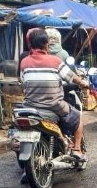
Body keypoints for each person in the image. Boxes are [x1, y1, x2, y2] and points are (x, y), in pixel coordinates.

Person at [19, 28, 89, 159]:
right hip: (53, 105)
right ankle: (77, 149)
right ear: (46, 44)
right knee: (78, 118)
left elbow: (23, 82)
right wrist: (83, 83)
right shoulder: (55, 61)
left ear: (30, 44)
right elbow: (72, 76)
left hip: (30, 106)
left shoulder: (24, 62)